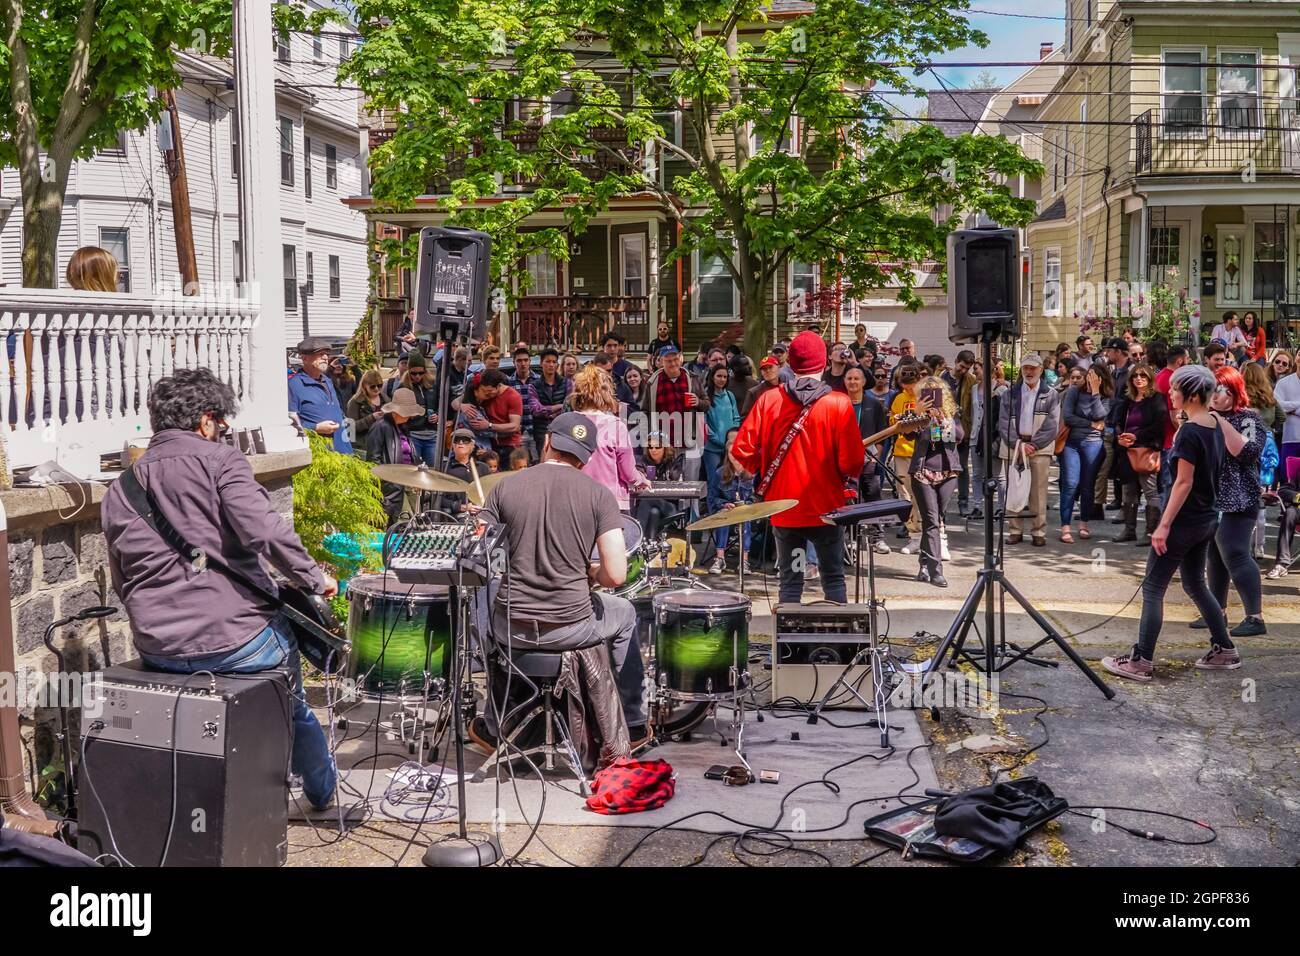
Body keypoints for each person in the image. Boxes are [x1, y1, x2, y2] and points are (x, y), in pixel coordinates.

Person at [102, 368, 338, 810]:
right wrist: (314, 578)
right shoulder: (221, 462)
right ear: (207, 420)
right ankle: (321, 792)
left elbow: (122, 578)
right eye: (221, 424)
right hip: (237, 641)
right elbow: (265, 532)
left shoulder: (120, 488)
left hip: (157, 645)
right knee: (293, 700)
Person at [469, 412, 648, 751]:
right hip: (571, 626)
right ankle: (633, 723)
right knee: (624, 611)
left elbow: (478, 555)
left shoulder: (505, 486)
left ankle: (495, 726)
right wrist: (592, 574)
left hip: (513, 625)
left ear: (547, 442)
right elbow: (616, 575)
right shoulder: (599, 496)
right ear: (586, 458)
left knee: (483, 601)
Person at [1102, 366, 1234, 681]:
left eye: (1174, 389)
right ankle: (1225, 649)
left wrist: (1163, 525)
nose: (1170, 394)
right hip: (1206, 518)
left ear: (1190, 394)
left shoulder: (1189, 432)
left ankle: (1141, 660)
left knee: (1153, 588)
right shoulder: (1214, 422)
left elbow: (1183, 483)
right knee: (1195, 584)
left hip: (1184, 521)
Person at [732, 330, 865, 604]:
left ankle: (788, 647)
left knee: (790, 582)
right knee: (833, 578)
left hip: (784, 509)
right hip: (827, 508)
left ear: (790, 363)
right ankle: (834, 644)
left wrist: (763, 465)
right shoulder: (838, 403)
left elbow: (742, 449)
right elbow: (852, 462)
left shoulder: (770, 400)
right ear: (824, 363)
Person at [1193, 367, 1266, 638]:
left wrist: (1219, 421)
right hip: (1213, 498)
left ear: (1233, 392)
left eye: (1219, 389)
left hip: (1240, 498)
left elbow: (1246, 452)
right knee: (1214, 554)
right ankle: (1216, 611)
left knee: (1235, 552)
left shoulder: (1247, 418)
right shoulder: (1205, 419)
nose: (1213, 395)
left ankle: (1255, 617)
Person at [996, 353, 1060, 547]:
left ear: (1041, 369)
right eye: (1026, 368)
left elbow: (1052, 425)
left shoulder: (1051, 394)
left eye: (1033, 368)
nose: (1029, 371)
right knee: (1013, 489)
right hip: (1013, 447)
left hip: (1039, 449)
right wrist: (1018, 443)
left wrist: (1034, 444)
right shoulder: (1010, 393)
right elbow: (1004, 421)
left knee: (1038, 493)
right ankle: (1015, 530)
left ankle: (1038, 531)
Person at [908, 375, 963, 587]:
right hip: (923, 473)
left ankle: (923, 563)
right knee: (931, 520)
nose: (931, 397)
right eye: (926, 393)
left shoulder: (951, 413)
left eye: (935, 392)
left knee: (936, 518)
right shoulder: (917, 415)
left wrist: (944, 419)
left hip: (948, 471)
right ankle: (936, 570)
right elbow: (909, 436)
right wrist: (920, 416)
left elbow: (958, 437)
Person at [571, 364, 649, 510]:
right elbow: (628, 473)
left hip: (575, 502)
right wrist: (641, 480)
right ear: (606, 391)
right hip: (609, 503)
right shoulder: (615, 426)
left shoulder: (565, 424)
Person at [1059, 362, 1112, 543]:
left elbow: (1100, 415)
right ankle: (1065, 526)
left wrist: (1096, 393)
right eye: (1087, 376)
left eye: (1092, 378)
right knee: (1070, 483)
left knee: (1087, 484)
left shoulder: (1105, 396)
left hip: (1093, 443)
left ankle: (1084, 523)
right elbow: (1068, 416)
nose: (1088, 380)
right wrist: (1089, 424)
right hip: (1071, 443)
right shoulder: (1074, 391)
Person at [1111, 364, 1165, 544]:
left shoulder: (1156, 399)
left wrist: (1137, 436)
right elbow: (1117, 421)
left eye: (1143, 376)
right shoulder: (1128, 400)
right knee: (1128, 491)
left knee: (1150, 490)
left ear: (1149, 379)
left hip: (1146, 449)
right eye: (1135, 376)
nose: (1139, 379)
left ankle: (1150, 531)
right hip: (1127, 450)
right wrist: (1119, 437)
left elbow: (1159, 424)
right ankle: (1129, 529)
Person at [643, 345, 711, 480]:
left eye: (675, 359)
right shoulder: (653, 383)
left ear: (681, 359)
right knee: (669, 480)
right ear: (661, 361)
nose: (673, 363)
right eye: (668, 361)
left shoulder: (692, 378)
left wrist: (698, 402)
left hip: (690, 439)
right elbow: (645, 411)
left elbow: (707, 404)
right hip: (665, 442)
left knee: (691, 481)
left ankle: (691, 503)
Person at [368, 387, 429, 523]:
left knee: (416, 521)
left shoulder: (403, 427)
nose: (410, 416)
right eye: (407, 412)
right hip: (392, 487)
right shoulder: (380, 427)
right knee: (404, 522)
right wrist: (387, 484)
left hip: (408, 483)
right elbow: (372, 461)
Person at [888, 364, 931, 548]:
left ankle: (924, 532)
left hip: (921, 451)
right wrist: (897, 420)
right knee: (904, 493)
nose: (909, 389)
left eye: (911, 385)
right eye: (905, 386)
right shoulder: (898, 398)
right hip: (901, 451)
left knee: (920, 493)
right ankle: (912, 532)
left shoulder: (926, 396)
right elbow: (893, 421)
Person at [289, 337, 353, 453]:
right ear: (304, 358)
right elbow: (289, 424)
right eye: (320, 354)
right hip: (319, 455)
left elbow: (339, 414)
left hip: (342, 449)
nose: (325, 357)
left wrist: (349, 448)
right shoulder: (293, 385)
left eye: (326, 354)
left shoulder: (327, 380)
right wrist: (315, 428)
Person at [705, 428, 754, 575]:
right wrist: (723, 504)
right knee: (723, 516)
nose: (735, 457)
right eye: (731, 453)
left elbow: (758, 497)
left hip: (748, 513)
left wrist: (747, 504)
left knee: (745, 519)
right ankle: (720, 559)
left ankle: (744, 561)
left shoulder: (753, 473)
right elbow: (711, 498)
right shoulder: (720, 473)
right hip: (727, 512)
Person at [633, 434, 685, 541]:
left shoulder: (673, 462)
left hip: (669, 507)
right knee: (654, 512)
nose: (653, 450)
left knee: (648, 500)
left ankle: (636, 539)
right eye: (650, 447)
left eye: (657, 447)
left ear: (665, 448)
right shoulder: (643, 461)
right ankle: (650, 544)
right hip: (651, 507)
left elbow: (676, 486)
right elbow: (638, 477)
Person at [943, 350, 977, 514]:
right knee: (942, 467)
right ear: (956, 361)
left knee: (962, 467)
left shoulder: (970, 380)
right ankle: (941, 504)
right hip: (943, 428)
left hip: (962, 429)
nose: (963, 371)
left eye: (967, 368)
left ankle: (963, 503)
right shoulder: (941, 378)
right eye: (962, 367)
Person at [703, 364, 740, 508]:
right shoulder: (706, 395)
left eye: (725, 376)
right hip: (712, 448)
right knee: (714, 482)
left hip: (729, 446)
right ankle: (713, 515)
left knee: (729, 481)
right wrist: (718, 440)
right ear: (712, 377)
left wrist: (733, 438)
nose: (722, 379)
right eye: (719, 376)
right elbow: (704, 423)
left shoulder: (730, 396)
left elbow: (736, 417)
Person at [526, 347, 573, 452]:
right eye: (548, 361)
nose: (551, 365)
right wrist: (558, 407)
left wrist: (552, 413)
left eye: (554, 362)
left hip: (563, 430)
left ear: (557, 365)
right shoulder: (533, 386)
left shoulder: (567, 383)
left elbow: (570, 407)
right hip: (542, 432)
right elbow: (536, 410)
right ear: (541, 363)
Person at [400, 351, 440, 464]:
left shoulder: (433, 384)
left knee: (432, 470)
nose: (417, 376)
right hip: (413, 434)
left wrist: (437, 415)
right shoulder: (403, 387)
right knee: (413, 470)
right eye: (413, 373)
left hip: (432, 434)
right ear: (408, 371)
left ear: (425, 371)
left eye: (420, 373)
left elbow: (440, 404)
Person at [508, 346, 540, 461]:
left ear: (530, 362)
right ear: (514, 362)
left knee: (538, 463)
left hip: (536, 429)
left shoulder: (538, 380)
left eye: (526, 360)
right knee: (520, 464)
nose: (523, 363)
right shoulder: (508, 382)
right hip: (517, 432)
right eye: (519, 361)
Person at [345, 369, 386, 456]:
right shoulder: (355, 401)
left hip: (382, 446)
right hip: (363, 448)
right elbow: (350, 428)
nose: (376, 389)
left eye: (379, 385)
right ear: (364, 385)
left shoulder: (385, 399)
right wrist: (371, 418)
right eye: (372, 386)